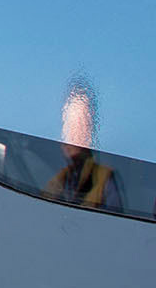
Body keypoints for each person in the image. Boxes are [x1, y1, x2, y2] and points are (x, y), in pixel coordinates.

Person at [42, 79, 120, 210]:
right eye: (69, 123)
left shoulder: (104, 179)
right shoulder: (54, 180)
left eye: (81, 123)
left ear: (91, 130)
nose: (73, 132)